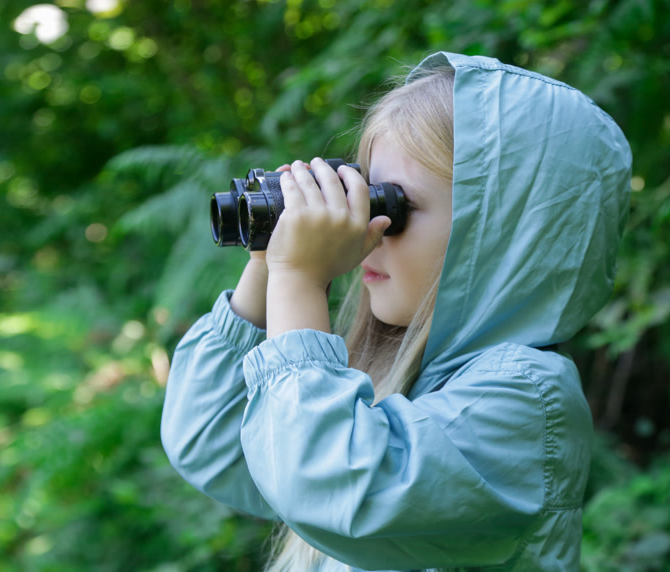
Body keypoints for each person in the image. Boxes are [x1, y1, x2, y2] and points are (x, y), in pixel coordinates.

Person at [161, 52, 631, 571]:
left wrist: (299, 277)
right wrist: (269, 262)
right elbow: (211, 440)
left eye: (393, 206)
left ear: (504, 235)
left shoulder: (526, 401)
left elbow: (326, 478)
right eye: (363, 199)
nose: (367, 229)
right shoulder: (376, 373)